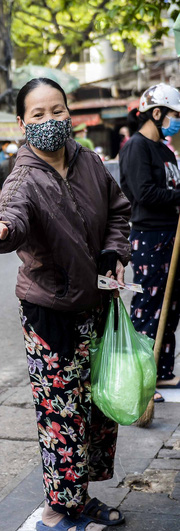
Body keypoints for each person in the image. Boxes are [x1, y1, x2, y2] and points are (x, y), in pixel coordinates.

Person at [0, 77, 131, 531]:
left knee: (92, 407)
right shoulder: (22, 176)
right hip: (50, 311)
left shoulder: (90, 162)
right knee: (61, 411)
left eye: (56, 110)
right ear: (21, 123)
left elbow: (119, 211)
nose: (49, 121)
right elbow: (12, 221)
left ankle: (79, 496)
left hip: (95, 302)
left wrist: (112, 253)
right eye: (37, 115)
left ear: (69, 113)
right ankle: (57, 513)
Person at [119, 83, 180, 397]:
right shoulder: (136, 147)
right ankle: (139, 378)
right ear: (156, 113)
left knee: (170, 307)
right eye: (174, 115)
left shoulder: (165, 150)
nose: (176, 121)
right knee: (149, 306)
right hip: (149, 236)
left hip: (173, 235)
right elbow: (144, 193)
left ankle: (162, 371)